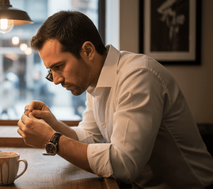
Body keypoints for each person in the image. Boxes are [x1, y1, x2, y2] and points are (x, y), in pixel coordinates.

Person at [17, 11, 213, 189]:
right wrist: (53, 125)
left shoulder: (138, 76)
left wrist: (51, 140)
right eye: (51, 72)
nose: (56, 80)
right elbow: (91, 137)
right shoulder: (93, 80)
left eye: (59, 66)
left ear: (87, 51)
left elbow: (125, 165)